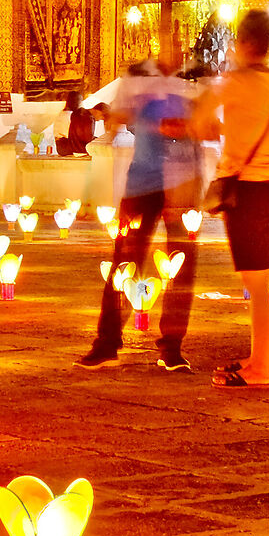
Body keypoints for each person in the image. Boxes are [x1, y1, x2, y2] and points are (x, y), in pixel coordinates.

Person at [193, 8, 269, 389]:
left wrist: (223, 132)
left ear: (243, 44)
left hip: (248, 192)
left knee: (257, 284)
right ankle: (262, 358)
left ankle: (262, 368)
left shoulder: (233, 83)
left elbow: (198, 120)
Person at [78, 26, 201, 372]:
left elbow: (207, 126)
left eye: (180, 42)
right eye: (168, 40)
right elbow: (120, 116)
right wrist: (114, 119)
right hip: (142, 182)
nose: (174, 48)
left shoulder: (194, 81)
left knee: (180, 266)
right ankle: (106, 341)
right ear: (157, 44)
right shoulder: (136, 78)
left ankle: (172, 345)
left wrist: (186, 127)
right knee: (125, 261)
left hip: (182, 184)